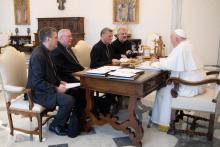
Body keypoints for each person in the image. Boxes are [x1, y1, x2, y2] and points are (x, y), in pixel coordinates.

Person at [150, 29, 204, 131]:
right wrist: (160, 61)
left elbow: (168, 65)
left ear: (176, 38)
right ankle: (169, 115)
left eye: (172, 39)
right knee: (165, 87)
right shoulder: (188, 45)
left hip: (189, 87)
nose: (171, 42)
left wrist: (154, 63)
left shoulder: (181, 48)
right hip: (198, 85)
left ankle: (163, 121)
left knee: (162, 90)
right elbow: (173, 61)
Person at [27, 27, 75, 136]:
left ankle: (61, 121)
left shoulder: (46, 51)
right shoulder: (38, 55)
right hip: (38, 93)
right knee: (68, 100)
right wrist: (56, 88)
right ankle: (56, 126)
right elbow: (37, 82)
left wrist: (59, 82)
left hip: (45, 89)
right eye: (55, 38)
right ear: (48, 39)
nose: (57, 40)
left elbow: (51, 73)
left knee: (73, 92)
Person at [50, 29, 86, 125]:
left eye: (71, 36)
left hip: (75, 75)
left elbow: (76, 64)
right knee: (80, 88)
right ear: (61, 38)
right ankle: (78, 116)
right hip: (65, 79)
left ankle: (84, 112)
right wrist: (77, 77)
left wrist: (85, 71)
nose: (71, 38)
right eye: (68, 36)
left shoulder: (68, 48)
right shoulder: (57, 51)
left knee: (87, 85)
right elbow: (61, 71)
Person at [90, 27, 120, 115]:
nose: (111, 38)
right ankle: (107, 107)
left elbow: (113, 57)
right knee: (115, 84)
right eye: (109, 36)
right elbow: (94, 64)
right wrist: (110, 61)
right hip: (100, 76)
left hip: (110, 72)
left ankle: (112, 103)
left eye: (111, 36)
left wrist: (120, 58)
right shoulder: (96, 47)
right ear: (103, 36)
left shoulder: (109, 46)